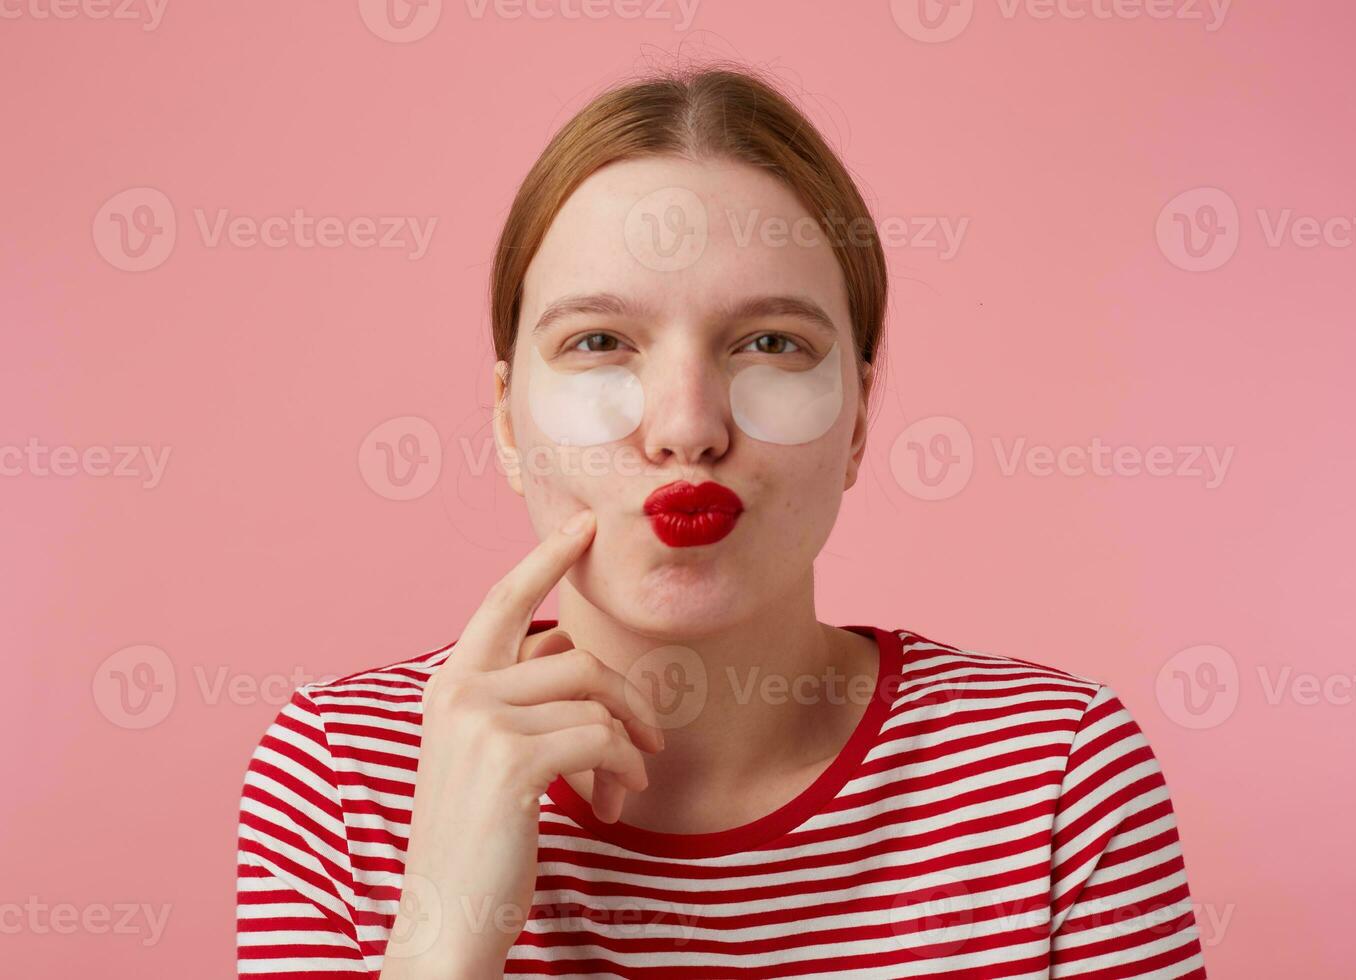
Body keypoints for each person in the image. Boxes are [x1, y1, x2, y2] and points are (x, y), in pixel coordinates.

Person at [235, 63, 1207, 978]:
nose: (688, 426)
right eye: (600, 340)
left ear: (860, 416)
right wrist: (444, 931)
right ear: (505, 418)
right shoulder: (339, 779)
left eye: (771, 342)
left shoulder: (1055, 778)